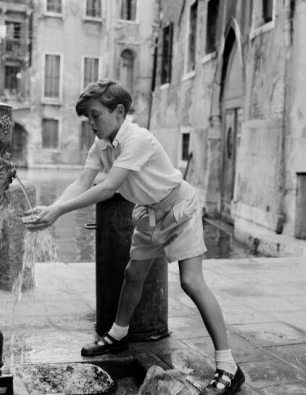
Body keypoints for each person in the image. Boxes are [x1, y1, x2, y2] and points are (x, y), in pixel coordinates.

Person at [23, 79, 245, 395]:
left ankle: (228, 366)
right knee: (133, 274)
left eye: (95, 115)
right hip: (149, 212)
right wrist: (54, 206)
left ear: (119, 111)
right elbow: (83, 183)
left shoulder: (138, 139)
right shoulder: (100, 146)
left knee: (191, 282)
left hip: (179, 208)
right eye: (87, 117)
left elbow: (108, 187)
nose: (91, 125)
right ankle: (118, 333)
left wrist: (59, 212)